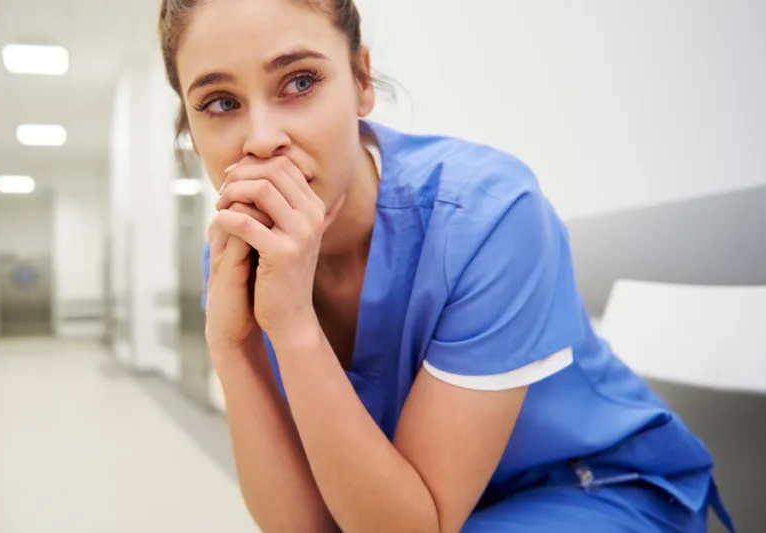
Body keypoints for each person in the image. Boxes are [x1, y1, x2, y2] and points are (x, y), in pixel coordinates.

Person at [158, 0, 735, 531]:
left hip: (592, 489)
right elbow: (306, 526)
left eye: (300, 82)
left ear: (361, 82)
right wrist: (231, 348)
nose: (261, 140)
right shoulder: (238, 260)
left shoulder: (486, 215)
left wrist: (292, 327)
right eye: (220, 103)